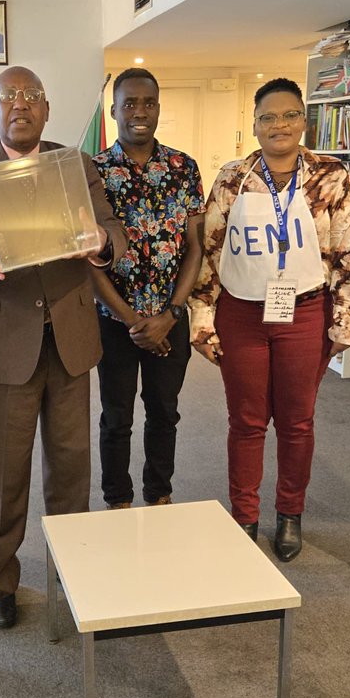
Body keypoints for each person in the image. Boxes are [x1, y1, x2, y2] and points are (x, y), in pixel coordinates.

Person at [0, 66, 126, 628]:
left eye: (31, 96)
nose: (20, 104)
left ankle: (70, 571)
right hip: (3, 342)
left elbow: (112, 227)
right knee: (5, 473)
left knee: (70, 466)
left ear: (46, 109)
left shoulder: (74, 163)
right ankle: (2, 580)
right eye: (8, 97)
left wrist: (99, 243)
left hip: (69, 339)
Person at [189, 78, 350, 560]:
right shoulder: (232, 178)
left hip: (305, 312)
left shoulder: (331, 176)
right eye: (268, 117)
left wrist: (343, 317)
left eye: (288, 115)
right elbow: (208, 252)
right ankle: (244, 516)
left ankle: (290, 513)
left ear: (303, 120)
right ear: (255, 125)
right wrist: (202, 319)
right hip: (241, 313)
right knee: (245, 422)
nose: (279, 125)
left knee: (296, 422)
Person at [91, 68, 204, 509]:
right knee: (116, 418)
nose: (140, 111)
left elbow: (195, 247)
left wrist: (170, 315)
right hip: (115, 321)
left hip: (170, 318)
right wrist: (134, 321)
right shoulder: (95, 171)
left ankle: (159, 495)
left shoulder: (184, 168)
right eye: (131, 103)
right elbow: (87, 260)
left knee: (164, 415)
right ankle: (117, 500)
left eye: (149, 103)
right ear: (114, 110)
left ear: (158, 108)